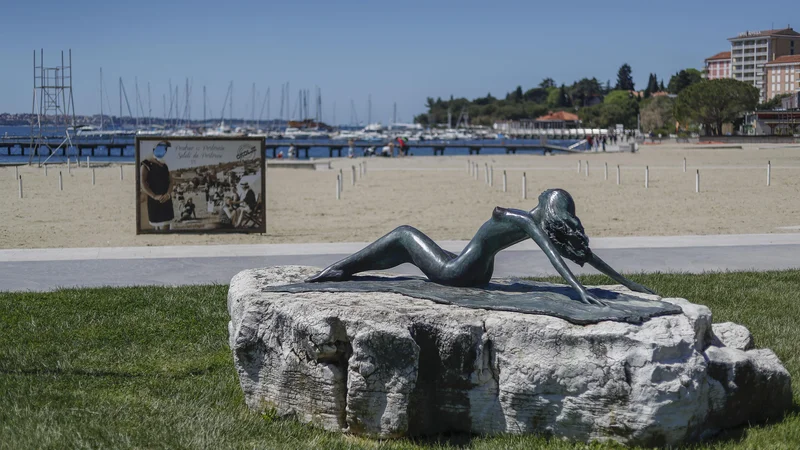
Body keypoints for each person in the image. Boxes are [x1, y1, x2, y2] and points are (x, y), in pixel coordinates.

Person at [307, 189, 655, 306]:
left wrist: (578, 291)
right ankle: (345, 269)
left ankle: (341, 268)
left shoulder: (523, 220)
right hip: (475, 270)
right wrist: (627, 284)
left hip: (458, 272)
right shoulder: (533, 224)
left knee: (402, 233)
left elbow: (556, 259)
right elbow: (584, 255)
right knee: (403, 247)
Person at [140, 140, 174, 231]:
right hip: (154, 201)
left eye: (165, 148)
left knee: (166, 227)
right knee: (157, 227)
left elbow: (171, 181)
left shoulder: (165, 165)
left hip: (166, 200)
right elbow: (142, 183)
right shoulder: (146, 164)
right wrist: (154, 196)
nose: (163, 150)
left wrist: (168, 194)